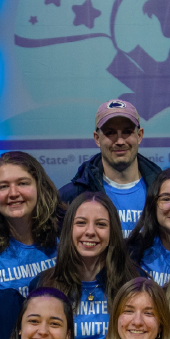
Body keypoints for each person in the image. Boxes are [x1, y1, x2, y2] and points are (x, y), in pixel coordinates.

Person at [34, 192, 139, 339]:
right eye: (81, 223)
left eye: (101, 224)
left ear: (113, 232)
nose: (90, 232)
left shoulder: (133, 282)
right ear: (69, 230)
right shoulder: (44, 284)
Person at [59, 100, 163, 237]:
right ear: (97, 138)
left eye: (127, 132)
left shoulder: (162, 190)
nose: (120, 141)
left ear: (140, 135)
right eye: (110, 133)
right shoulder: (71, 196)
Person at [0, 151, 61, 297]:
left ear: (40, 187)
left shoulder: (65, 232)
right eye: (3, 186)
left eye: (22, 183)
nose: (13, 193)